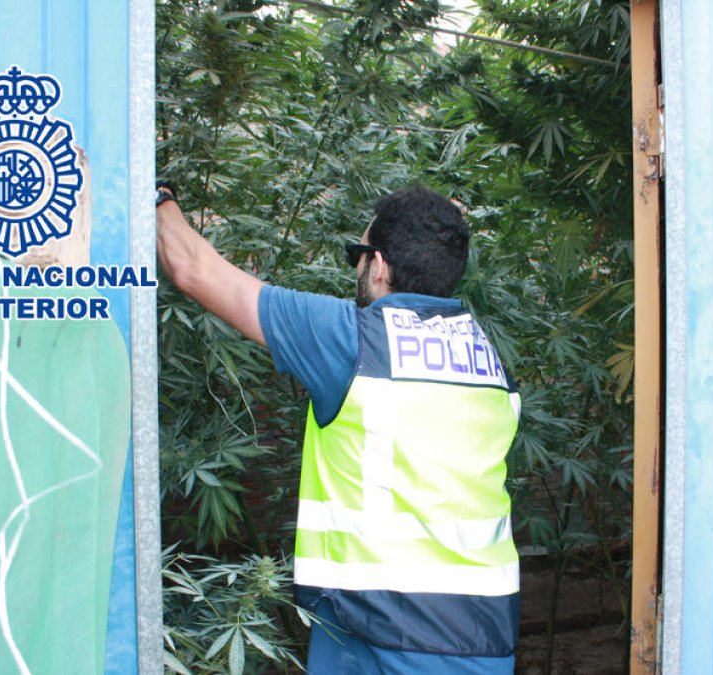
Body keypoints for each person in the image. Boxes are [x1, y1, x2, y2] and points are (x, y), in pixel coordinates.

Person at [156, 184, 521, 673]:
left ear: (381, 265)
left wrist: (158, 198)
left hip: (385, 630)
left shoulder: (351, 339)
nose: (355, 267)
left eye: (359, 253)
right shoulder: (489, 359)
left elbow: (193, 269)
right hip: (482, 631)